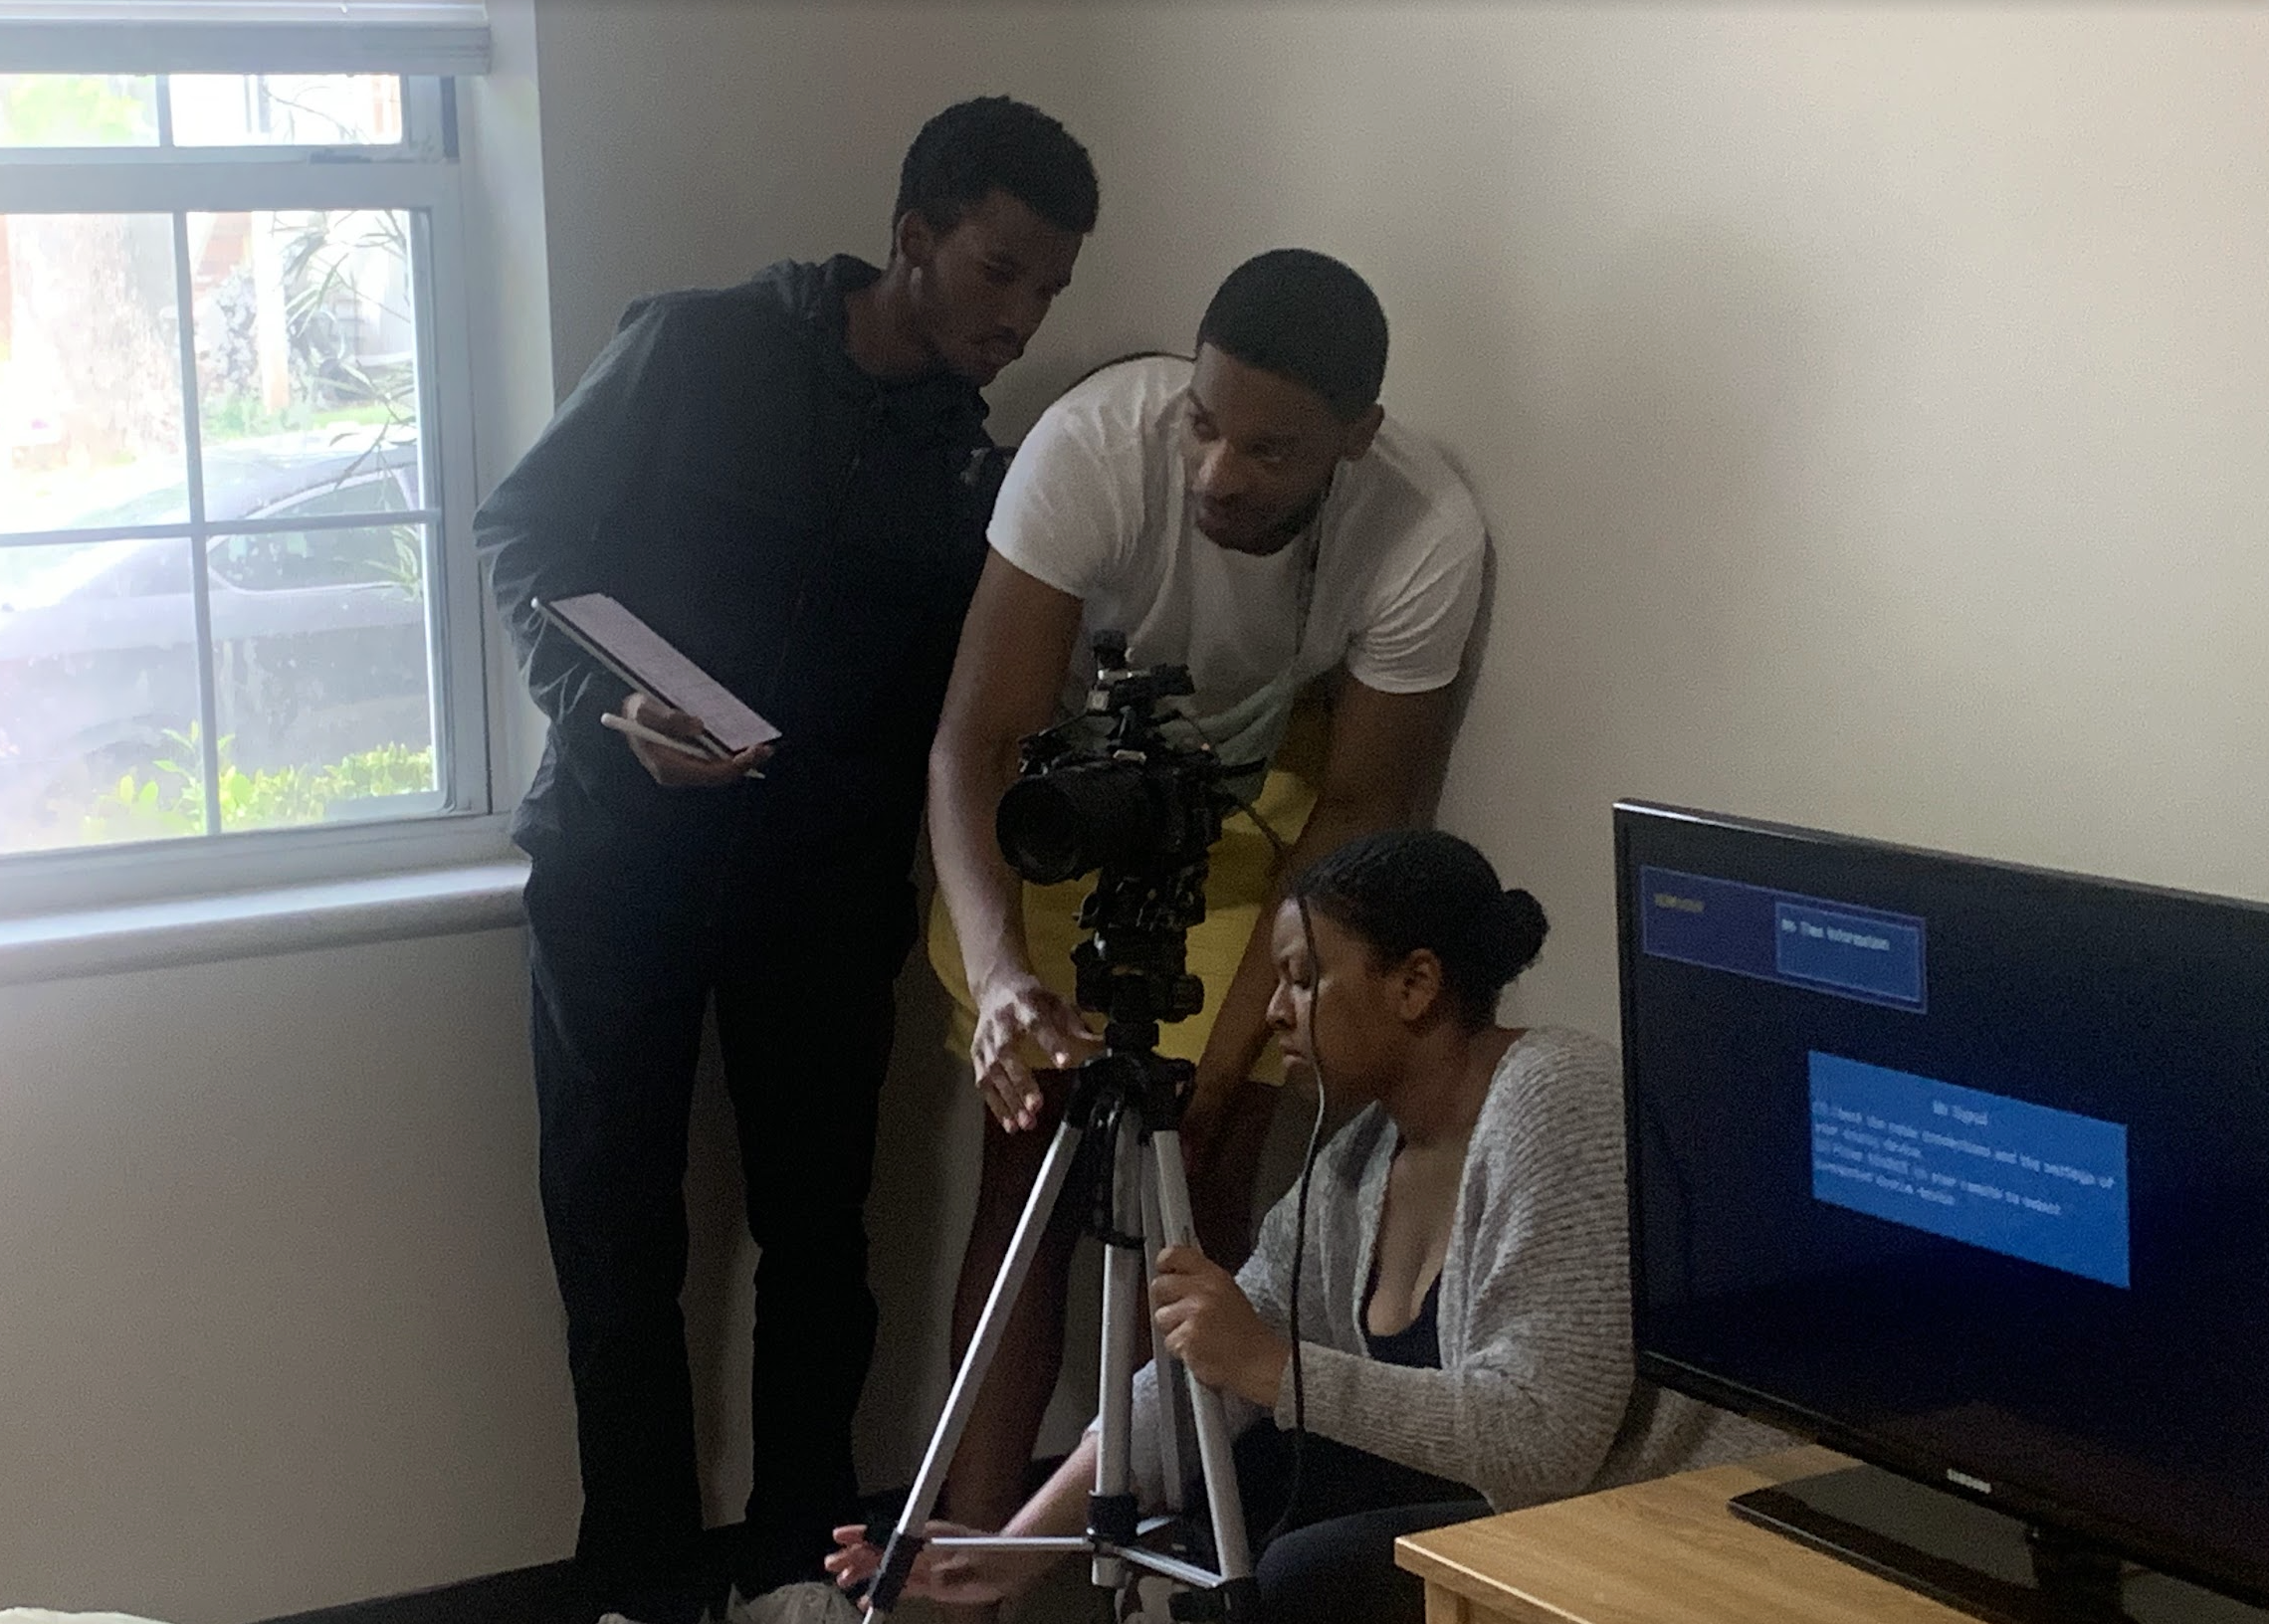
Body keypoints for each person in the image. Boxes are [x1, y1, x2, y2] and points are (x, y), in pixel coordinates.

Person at [474, 98, 1097, 1619]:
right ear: (912, 238)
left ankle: (809, 1574)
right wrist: (604, 709)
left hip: (821, 898)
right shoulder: (696, 347)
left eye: (1049, 293)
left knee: (821, 1242)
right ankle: (635, 1579)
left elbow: (963, 710)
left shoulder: (986, 478)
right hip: (619, 862)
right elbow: (522, 533)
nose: (1019, 319)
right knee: (616, 1227)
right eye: (998, 272)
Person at [834, 828, 1783, 1622]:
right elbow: (1200, 1379)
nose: (1276, 1011)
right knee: (1226, 1501)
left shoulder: (1559, 1101)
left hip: (1633, 1513)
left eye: (1302, 979)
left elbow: (1544, 1441)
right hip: (1503, 1504)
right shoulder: (1362, 1153)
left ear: (1415, 984)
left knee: (1295, 1575)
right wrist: (1016, 1548)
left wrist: (1273, 1366)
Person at [925, 249, 1493, 1539]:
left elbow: (1357, 813)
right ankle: (974, 1567)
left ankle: (1173, 1556)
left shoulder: (1423, 528)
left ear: (1359, 438)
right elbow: (976, 742)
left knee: (1206, 1175)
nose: (1217, 474)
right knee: (1033, 1158)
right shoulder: (1092, 449)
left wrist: (1226, 1068)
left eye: (1273, 452)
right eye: (1203, 422)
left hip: (1251, 823)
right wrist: (1006, 978)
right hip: (1058, 810)